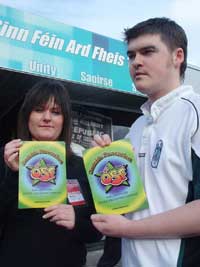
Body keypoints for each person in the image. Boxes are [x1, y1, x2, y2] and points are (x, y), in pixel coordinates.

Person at [91, 17, 200, 267]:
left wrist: (128, 229)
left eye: (148, 51)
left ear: (178, 56)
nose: (136, 62)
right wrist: (104, 163)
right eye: (131, 56)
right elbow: (125, 202)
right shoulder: (138, 127)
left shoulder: (195, 112)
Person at [0, 79, 102, 267]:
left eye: (56, 112)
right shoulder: (6, 158)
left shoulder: (80, 166)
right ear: (27, 116)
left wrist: (76, 222)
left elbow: (96, 232)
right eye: (39, 109)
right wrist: (14, 175)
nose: (47, 118)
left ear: (64, 120)